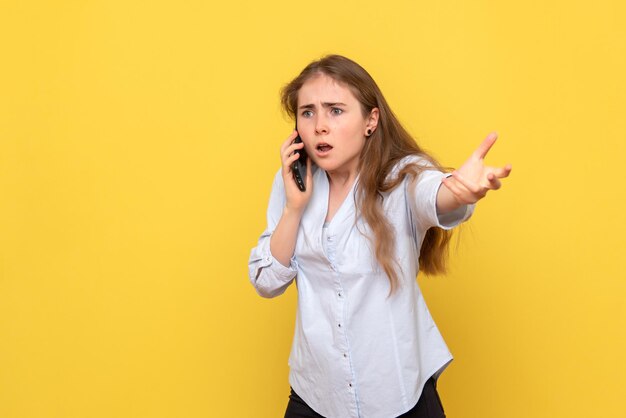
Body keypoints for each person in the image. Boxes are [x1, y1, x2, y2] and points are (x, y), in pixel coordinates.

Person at [248, 55, 512, 418]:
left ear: (370, 120)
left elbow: (433, 194)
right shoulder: (292, 181)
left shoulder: (402, 175)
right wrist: (294, 208)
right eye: (307, 112)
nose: (320, 126)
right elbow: (266, 281)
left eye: (335, 110)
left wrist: (459, 191)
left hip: (396, 393)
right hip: (317, 394)